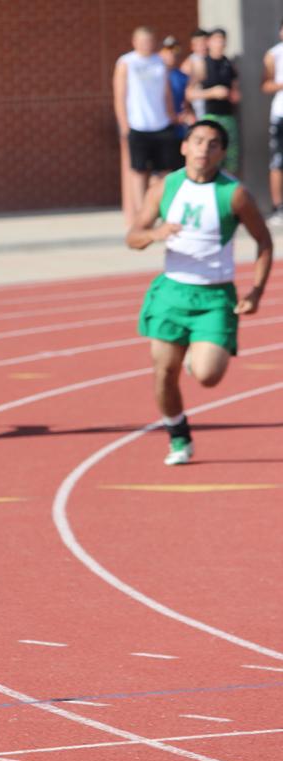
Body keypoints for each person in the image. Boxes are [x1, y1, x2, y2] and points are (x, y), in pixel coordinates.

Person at [126, 120, 272, 465]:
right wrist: (153, 234)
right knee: (163, 372)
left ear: (222, 152)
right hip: (172, 291)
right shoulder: (165, 188)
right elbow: (133, 236)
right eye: (197, 141)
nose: (203, 149)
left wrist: (255, 292)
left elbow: (264, 242)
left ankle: (198, 352)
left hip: (214, 297)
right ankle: (178, 436)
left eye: (213, 144)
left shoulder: (233, 194)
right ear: (184, 147)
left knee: (208, 375)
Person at [113, 25, 178, 223]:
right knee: (139, 172)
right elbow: (120, 95)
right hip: (138, 125)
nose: (146, 45)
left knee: (165, 173)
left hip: (162, 124)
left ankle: (162, 210)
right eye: (142, 41)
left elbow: (166, 93)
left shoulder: (160, 61)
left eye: (149, 41)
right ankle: (142, 216)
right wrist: (124, 125)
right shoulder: (126, 62)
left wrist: (172, 116)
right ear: (134, 42)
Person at [185, 28, 241, 174]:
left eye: (222, 40)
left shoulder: (229, 64)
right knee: (210, 158)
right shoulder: (202, 64)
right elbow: (189, 93)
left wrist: (234, 95)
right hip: (210, 116)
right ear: (208, 42)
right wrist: (212, 93)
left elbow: (236, 90)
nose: (220, 43)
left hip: (228, 117)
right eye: (216, 40)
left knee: (231, 158)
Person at [159, 35, 194, 164]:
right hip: (159, 129)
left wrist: (187, 115)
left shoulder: (183, 77)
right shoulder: (155, 75)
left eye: (175, 50)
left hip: (178, 132)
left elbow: (187, 102)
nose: (172, 54)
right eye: (168, 50)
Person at [261, 19, 283, 225]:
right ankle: (278, 207)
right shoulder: (273, 54)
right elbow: (265, 85)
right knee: (278, 161)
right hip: (280, 115)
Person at [181, 28, 209, 119]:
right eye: (199, 44)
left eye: (205, 43)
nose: (203, 47)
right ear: (193, 46)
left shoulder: (214, 60)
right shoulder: (189, 64)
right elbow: (183, 92)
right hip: (199, 113)